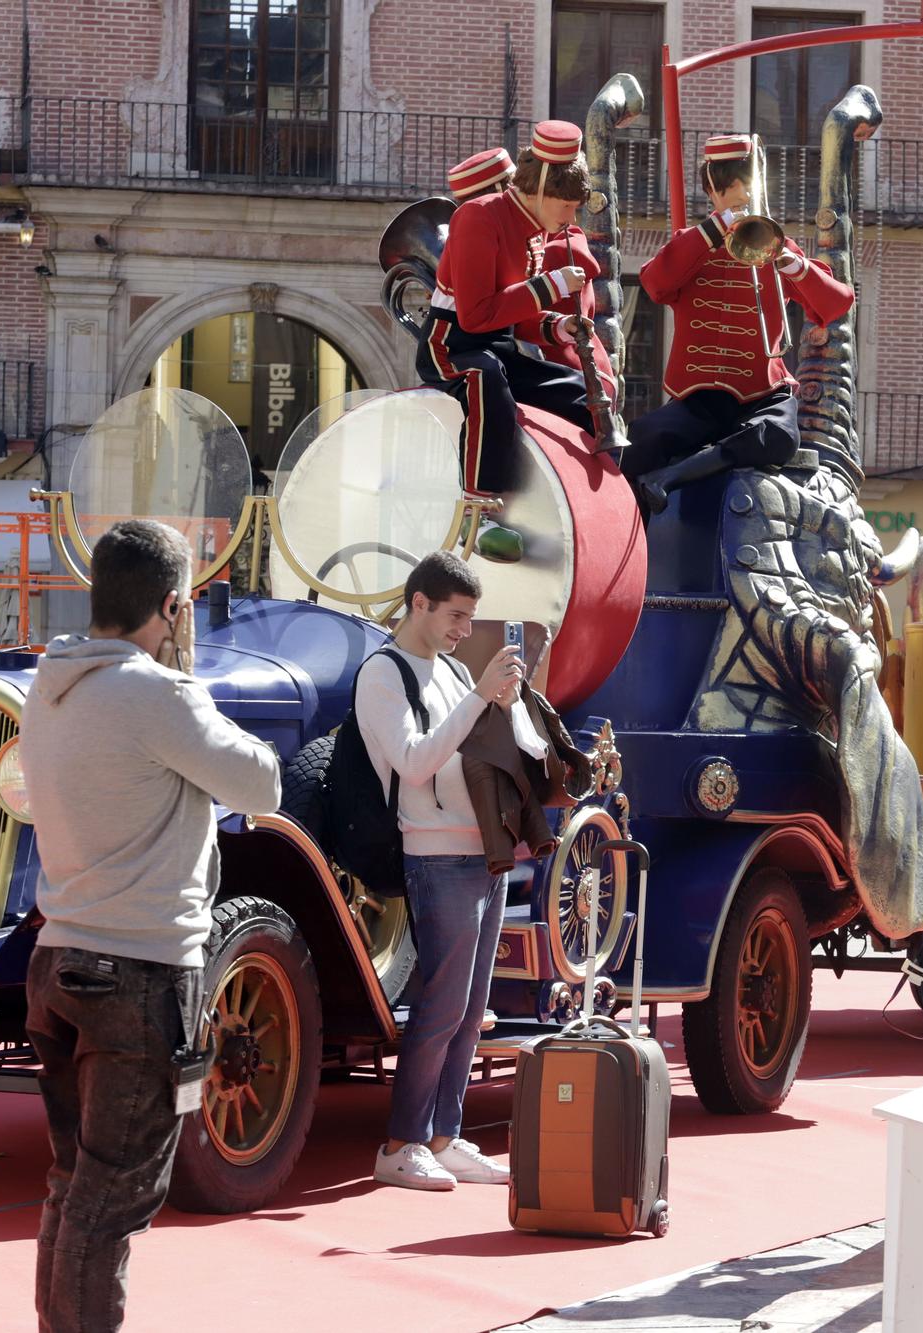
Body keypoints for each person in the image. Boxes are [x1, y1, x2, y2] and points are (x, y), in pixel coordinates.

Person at [19, 519, 281, 1333]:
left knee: (76, 1183)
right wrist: (187, 675)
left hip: (60, 954)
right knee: (116, 1195)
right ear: (172, 605)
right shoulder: (158, 692)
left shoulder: (49, 682)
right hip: (139, 969)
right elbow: (262, 783)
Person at [360, 550, 540, 1191]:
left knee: (469, 1009)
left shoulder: (453, 669)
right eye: (456, 615)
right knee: (440, 1005)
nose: (465, 628)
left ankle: (443, 1134)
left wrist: (508, 706)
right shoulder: (383, 673)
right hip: (436, 854)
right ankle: (401, 1143)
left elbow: (486, 747)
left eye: (470, 616)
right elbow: (414, 763)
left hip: (483, 851)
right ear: (420, 604)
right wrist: (479, 698)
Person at [420, 122, 618, 564]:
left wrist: (556, 326)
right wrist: (548, 287)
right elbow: (476, 314)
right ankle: (477, 511)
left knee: (578, 394)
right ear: (542, 189)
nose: (570, 218)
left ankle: (578, 510)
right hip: (453, 347)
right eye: (566, 205)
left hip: (499, 347)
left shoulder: (534, 225)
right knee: (486, 379)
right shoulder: (477, 217)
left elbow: (513, 317)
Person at [626, 134, 854, 514]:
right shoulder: (691, 245)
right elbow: (654, 283)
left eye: (744, 182)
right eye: (729, 184)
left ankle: (671, 478)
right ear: (712, 192)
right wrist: (714, 230)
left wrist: (793, 264)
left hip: (762, 393)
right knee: (643, 439)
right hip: (700, 395)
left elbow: (835, 303)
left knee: (779, 436)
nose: (738, 193)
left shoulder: (779, 246)